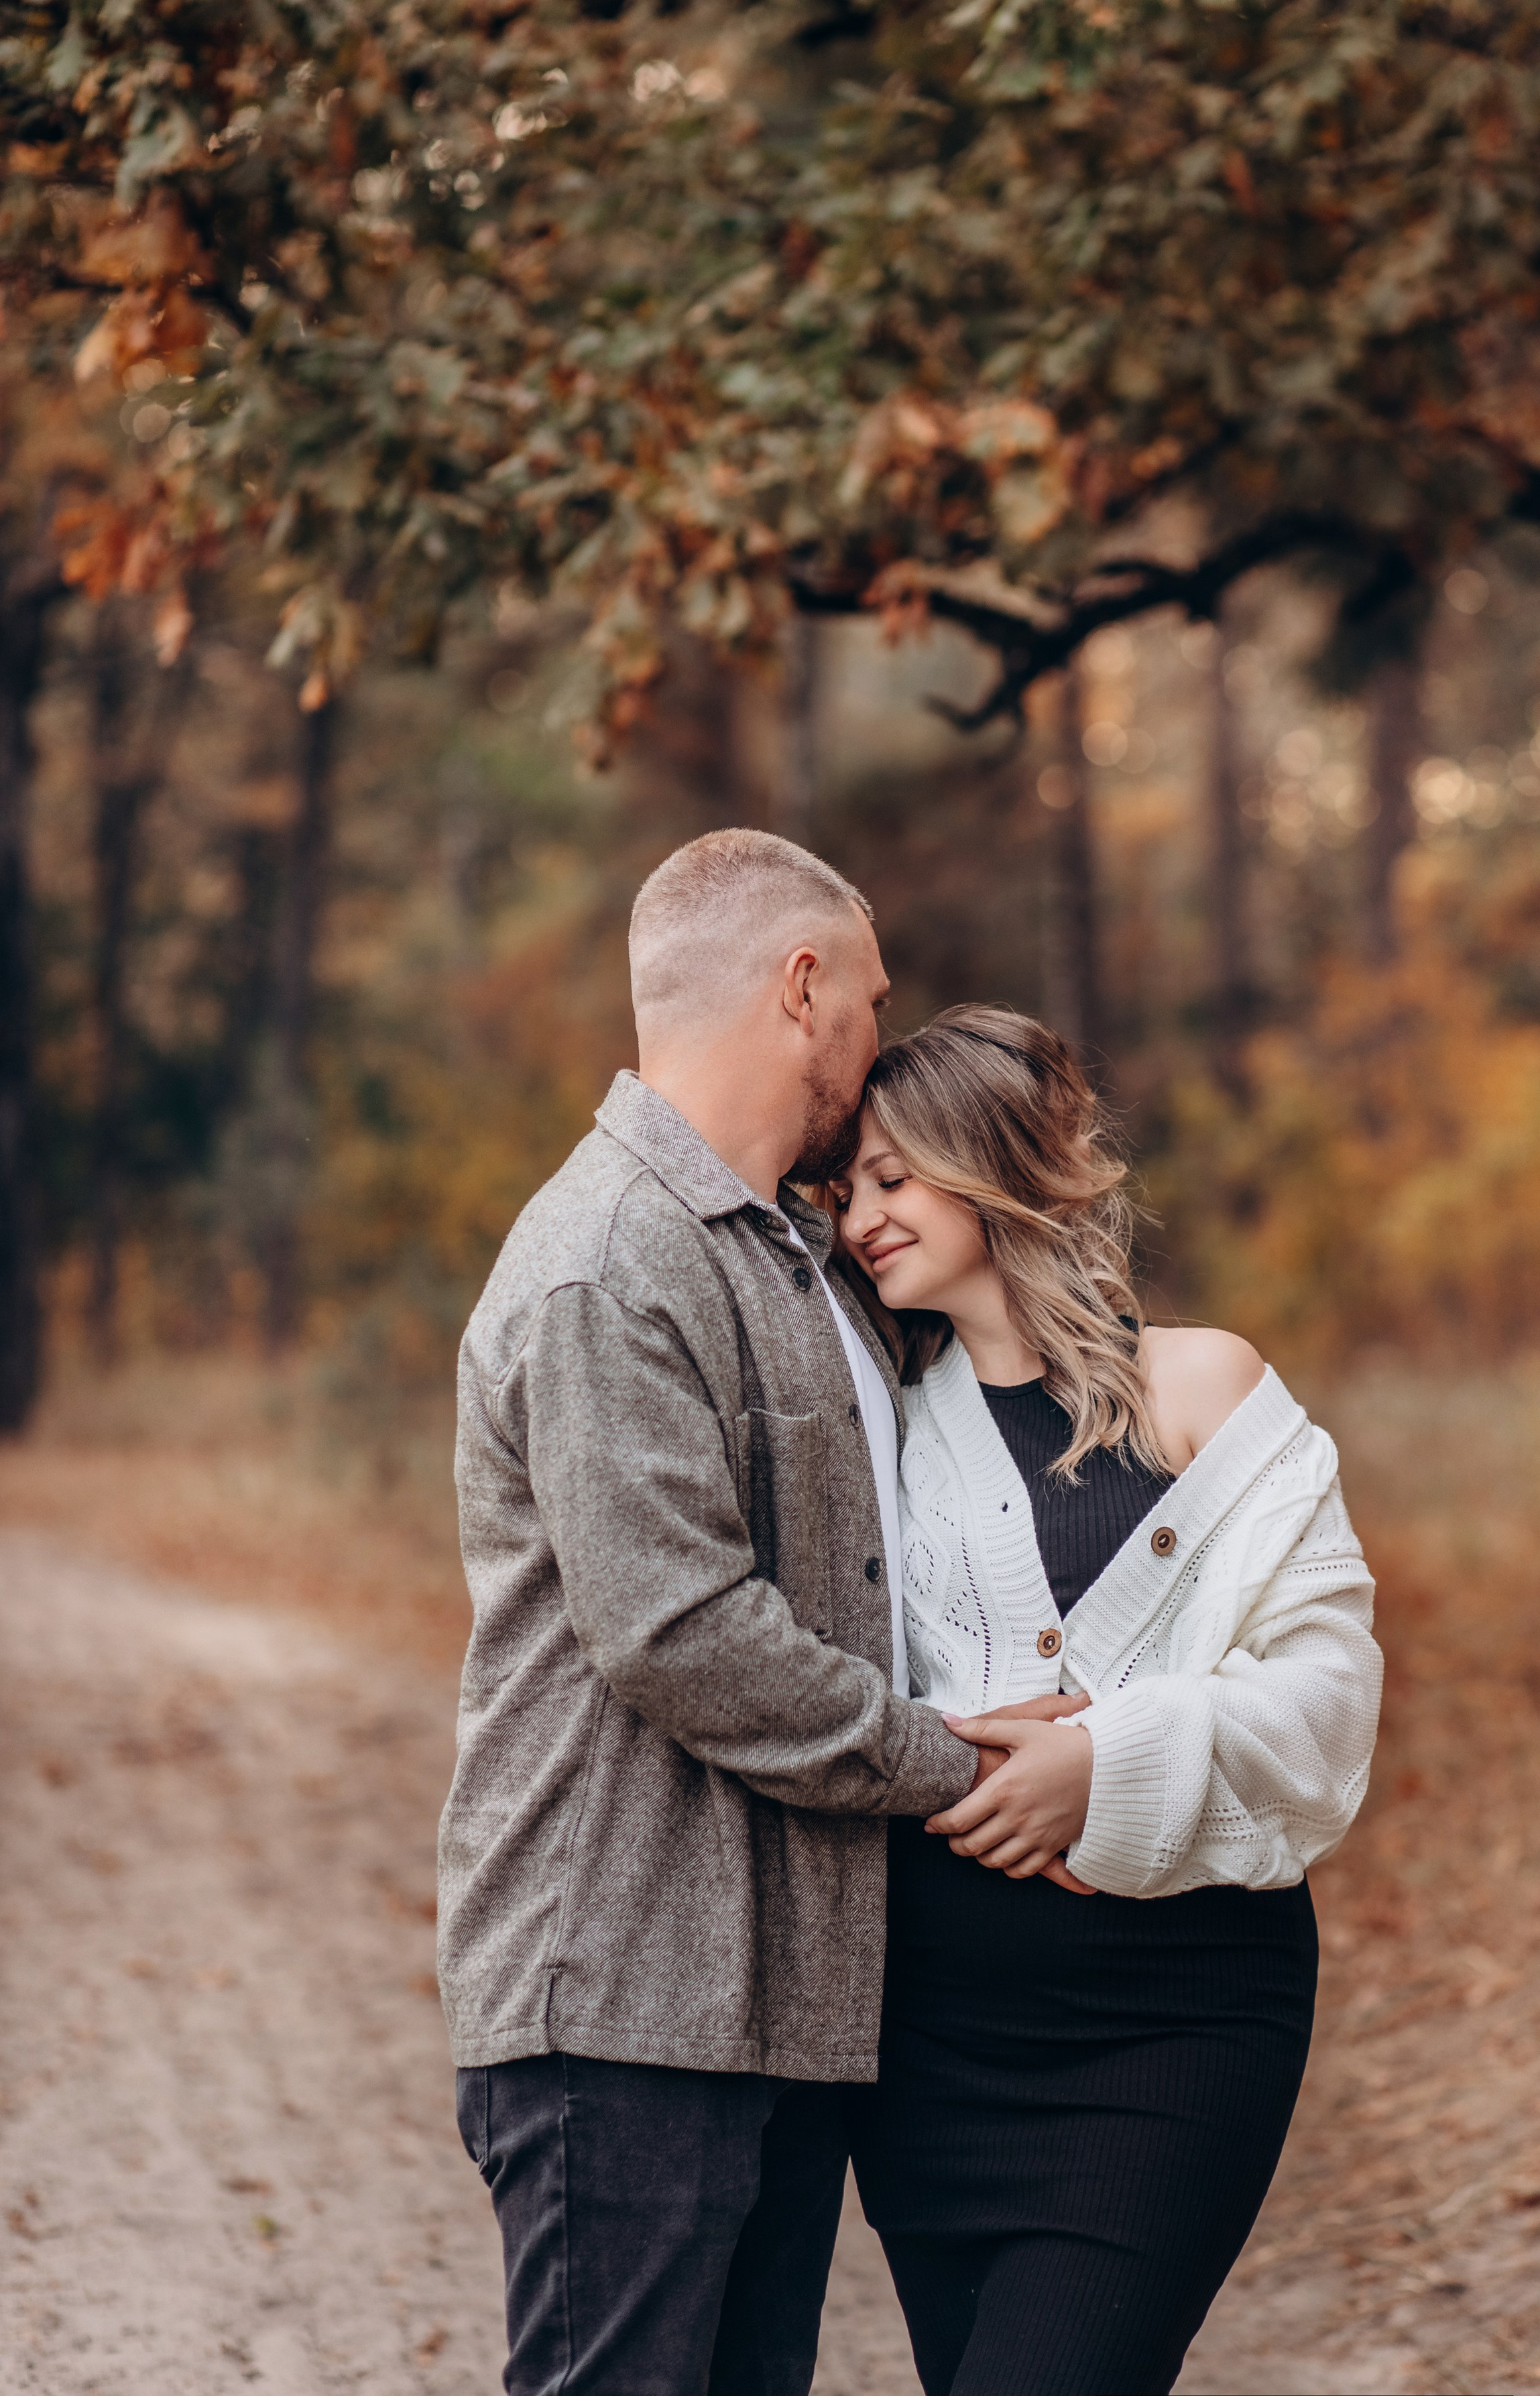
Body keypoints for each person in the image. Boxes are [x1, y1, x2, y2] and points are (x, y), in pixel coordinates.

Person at [435, 830, 984, 2396]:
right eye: (872, 1001)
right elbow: (675, 1631)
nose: (881, 1040)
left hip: (772, 2008)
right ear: (800, 988)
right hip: (623, 2007)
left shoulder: (793, 1258)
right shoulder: (610, 1261)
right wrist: (953, 1764)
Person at [831, 1005, 1384, 2396]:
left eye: (891, 1178)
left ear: (988, 1161)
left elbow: (1328, 1702)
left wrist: (1112, 1761)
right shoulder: (885, 1439)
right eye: (844, 1190)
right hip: (937, 2044)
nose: (860, 1218)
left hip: (1176, 2022)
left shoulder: (1204, 1387)